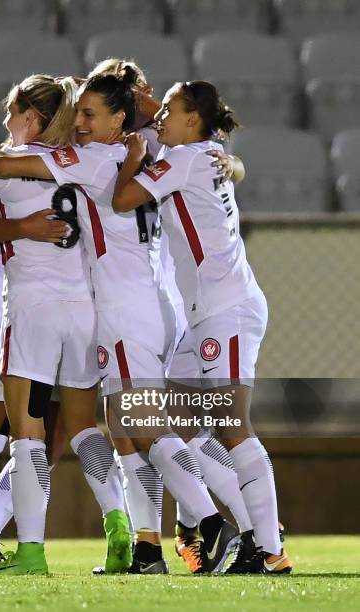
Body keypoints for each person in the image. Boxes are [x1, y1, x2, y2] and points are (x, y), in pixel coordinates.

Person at [0, 69, 240, 574]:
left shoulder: (89, 158)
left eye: (90, 114)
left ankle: (215, 522)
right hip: (147, 304)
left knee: (141, 426)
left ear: (115, 119)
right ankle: (147, 546)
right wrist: (230, 159)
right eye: (77, 113)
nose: (79, 122)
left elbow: (2, 164)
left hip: (118, 309)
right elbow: (181, 134)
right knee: (123, 427)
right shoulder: (149, 149)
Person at [0, 74, 130, 577]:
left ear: (31, 115)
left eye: (12, 111)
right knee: (80, 428)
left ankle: (19, 551)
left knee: (22, 433)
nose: (5, 121)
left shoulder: (10, 165)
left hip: (26, 310)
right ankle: (122, 530)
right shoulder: (90, 159)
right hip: (88, 311)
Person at [111, 80, 292, 575]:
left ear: (193, 119)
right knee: (183, 428)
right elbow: (231, 164)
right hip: (204, 315)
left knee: (234, 426)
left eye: (170, 110)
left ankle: (269, 546)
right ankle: (252, 527)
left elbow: (125, 197)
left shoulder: (187, 157)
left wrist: (131, 156)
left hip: (225, 309)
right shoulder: (204, 151)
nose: (162, 116)